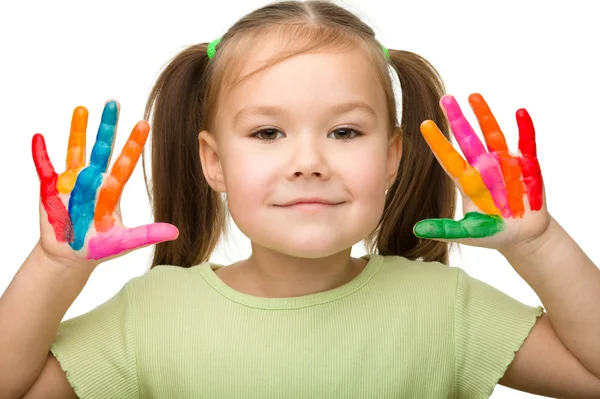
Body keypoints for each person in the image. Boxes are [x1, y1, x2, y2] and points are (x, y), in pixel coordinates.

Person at [1, 0, 599, 398]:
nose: (309, 162)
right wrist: (57, 266)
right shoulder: (151, 312)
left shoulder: (447, 307)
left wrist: (537, 243)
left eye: (344, 132)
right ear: (214, 161)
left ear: (392, 156)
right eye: (267, 133)